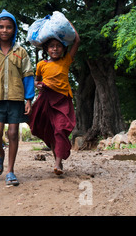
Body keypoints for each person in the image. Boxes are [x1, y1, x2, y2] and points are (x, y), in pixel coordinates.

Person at [0, 9, 35, 186]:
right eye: (1, 27)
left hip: (16, 98)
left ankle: (10, 171)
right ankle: (0, 152)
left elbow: (28, 75)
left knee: (12, 133)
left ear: (14, 29)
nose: (4, 30)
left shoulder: (21, 52)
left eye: (8, 27)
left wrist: (28, 99)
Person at [28, 20, 80, 175]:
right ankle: (57, 160)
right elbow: (36, 81)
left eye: (58, 46)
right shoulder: (41, 65)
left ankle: (58, 164)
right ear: (46, 49)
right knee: (51, 131)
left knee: (60, 129)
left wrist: (68, 23)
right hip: (46, 101)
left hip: (62, 100)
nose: (55, 49)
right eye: (51, 46)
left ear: (63, 48)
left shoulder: (66, 61)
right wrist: (39, 85)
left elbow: (77, 40)